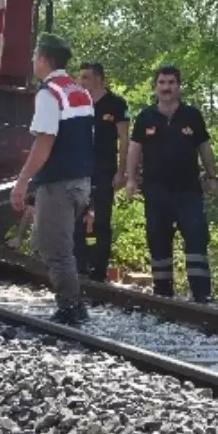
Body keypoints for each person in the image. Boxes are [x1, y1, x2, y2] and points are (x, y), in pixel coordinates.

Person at [9, 34, 95, 325]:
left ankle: (71, 308)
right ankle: (73, 304)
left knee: (55, 248)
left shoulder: (49, 93)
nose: (33, 61)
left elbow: (44, 142)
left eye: (35, 56)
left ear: (44, 59)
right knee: (54, 243)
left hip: (58, 183)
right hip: (81, 180)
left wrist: (22, 182)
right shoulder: (78, 90)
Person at [125, 65, 218, 302]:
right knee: (158, 239)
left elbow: (204, 148)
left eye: (171, 83)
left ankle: (201, 294)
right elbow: (134, 149)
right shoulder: (145, 117)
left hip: (188, 190)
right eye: (162, 83)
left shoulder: (192, 116)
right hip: (156, 190)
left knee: (197, 237)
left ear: (179, 86)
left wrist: (212, 177)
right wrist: (130, 179)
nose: (166, 88)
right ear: (156, 86)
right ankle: (163, 295)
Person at [74, 62, 129, 282]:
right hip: (80, 170)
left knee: (101, 221)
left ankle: (99, 269)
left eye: (86, 77)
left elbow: (124, 139)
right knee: (78, 219)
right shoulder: (79, 104)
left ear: (99, 79)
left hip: (105, 170)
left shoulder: (116, 104)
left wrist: (122, 172)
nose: (81, 82)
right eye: (80, 77)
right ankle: (80, 266)